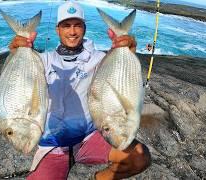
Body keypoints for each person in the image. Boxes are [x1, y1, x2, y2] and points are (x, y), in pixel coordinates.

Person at [8, 1, 151, 179]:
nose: (72, 31)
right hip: (53, 145)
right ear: (57, 29)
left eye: (77, 25)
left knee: (139, 157)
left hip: (88, 138)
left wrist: (127, 49)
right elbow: (21, 82)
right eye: (66, 26)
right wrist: (16, 53)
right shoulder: (43, 61)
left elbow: (121, 78)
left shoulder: (99, 59)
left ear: (84, 28)